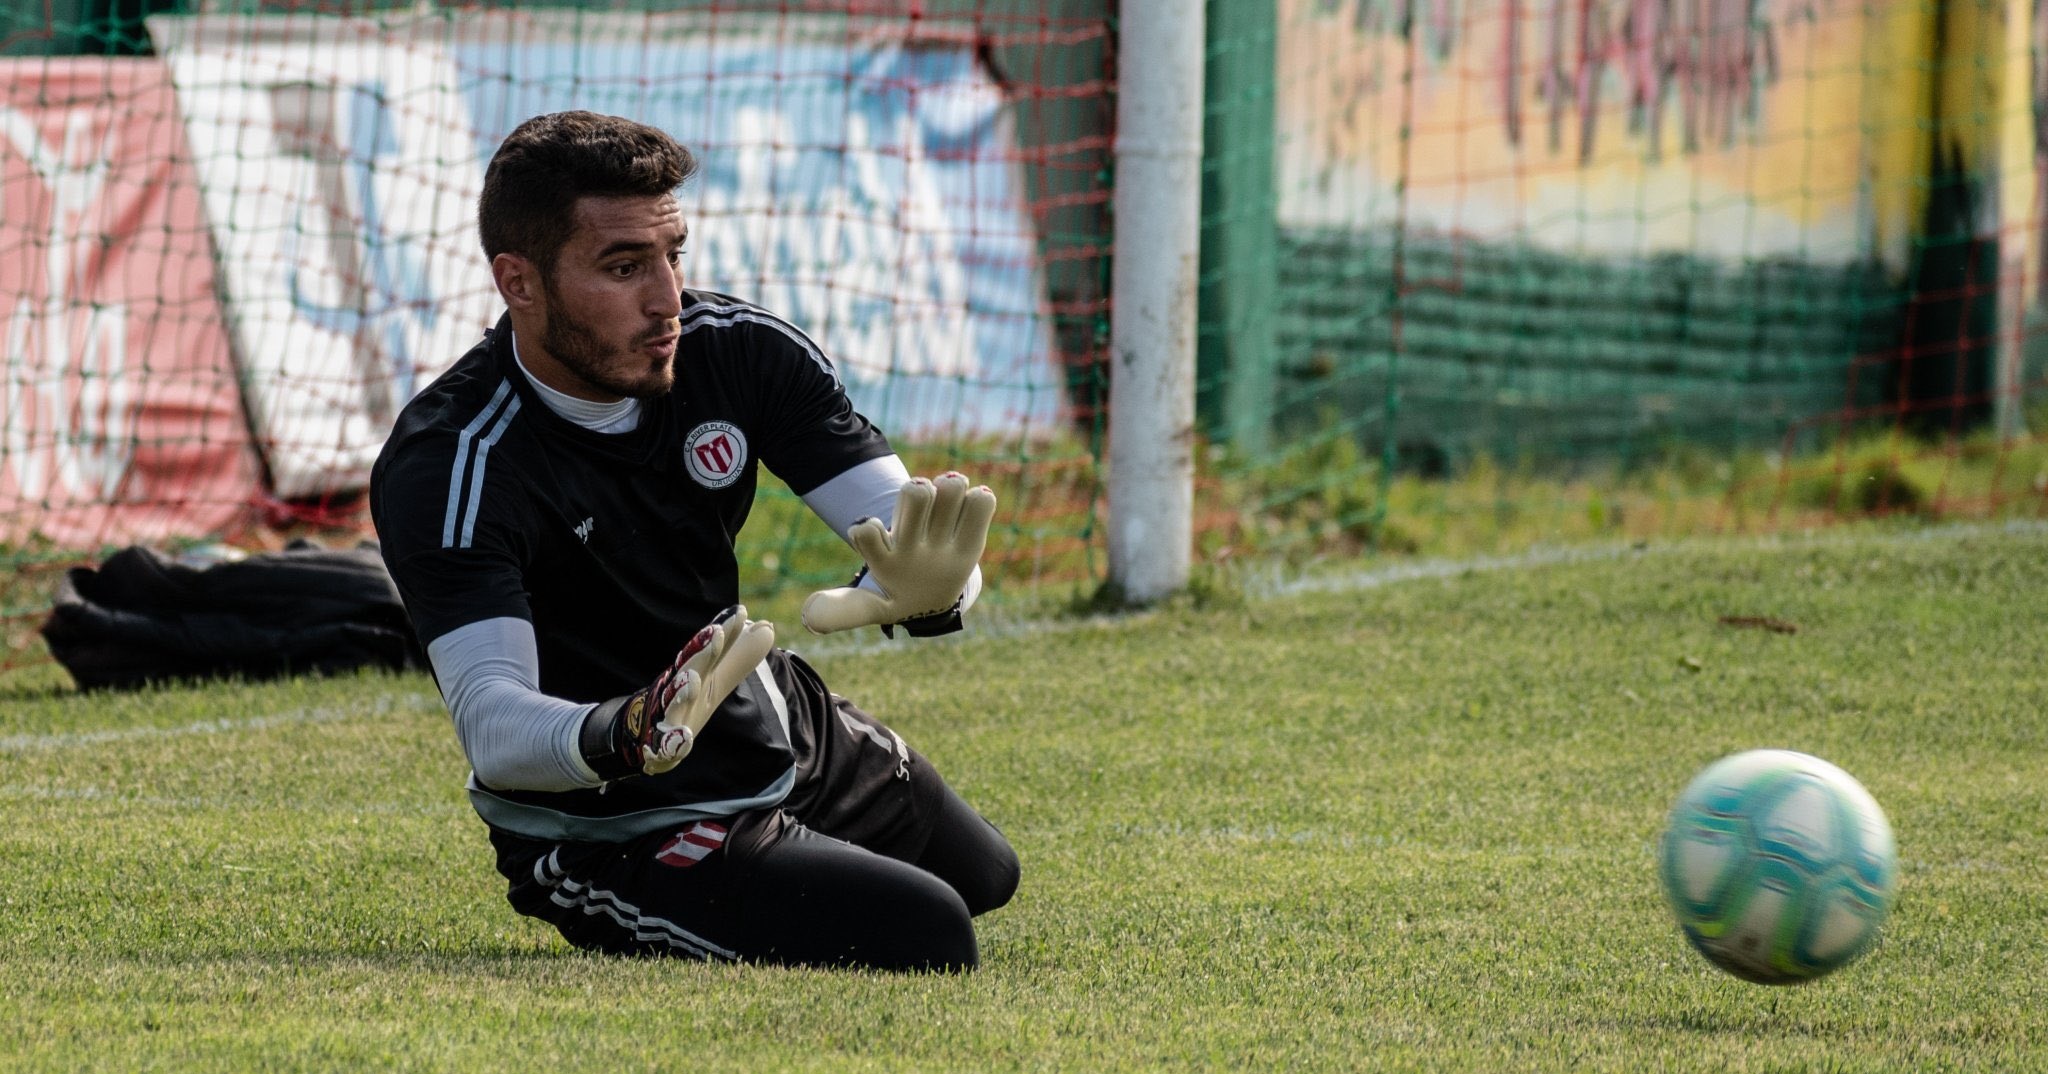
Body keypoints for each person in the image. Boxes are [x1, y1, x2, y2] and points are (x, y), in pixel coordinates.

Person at [369, 110, 1019, 971]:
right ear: (518, 283)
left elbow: (907, 529)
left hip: (772, 722)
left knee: (986, 874)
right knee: (928, 932)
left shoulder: (741, 353)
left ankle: (791, 804)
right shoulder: (451, 461)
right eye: (624, 267)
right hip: (614, 816)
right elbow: (493, 724)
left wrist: (941, 590)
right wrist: (624, 731)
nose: (667, 299)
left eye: (674, 255)